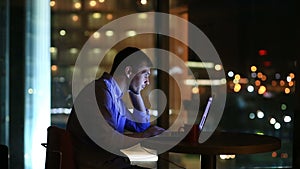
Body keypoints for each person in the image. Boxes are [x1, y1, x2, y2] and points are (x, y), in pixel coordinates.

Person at [66, 47, 165, 169]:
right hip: (97, 165)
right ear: (128, 71)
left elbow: (141, 127)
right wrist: (146, 135)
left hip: (109, 163)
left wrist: (136, 92)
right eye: (145, 74)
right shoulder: (100, 92)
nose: (148, 82)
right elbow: (109, 141)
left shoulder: (114, 96)